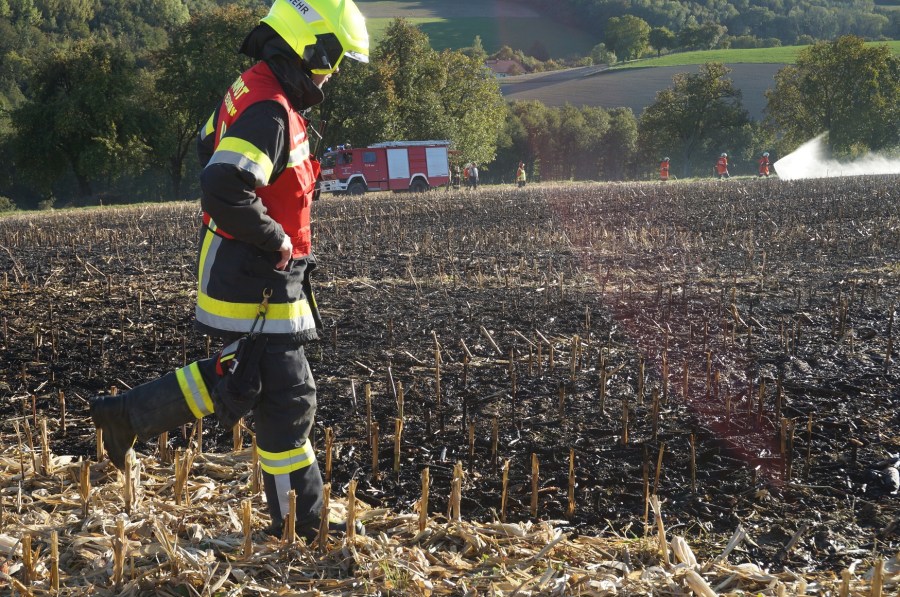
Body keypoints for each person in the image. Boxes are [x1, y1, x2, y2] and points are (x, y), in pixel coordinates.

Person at [89, 0, 369, 542]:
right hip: (255, 274)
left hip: (249, 269)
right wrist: (273, 236)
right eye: (333, 60)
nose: (332, 73)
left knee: (244, 376)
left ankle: (126, 415)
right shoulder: (270, 110)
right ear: (310, 48)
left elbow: (206, 143)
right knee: (289, 400)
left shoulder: (254, 86)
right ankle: (300, 525)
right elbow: (221, 183)